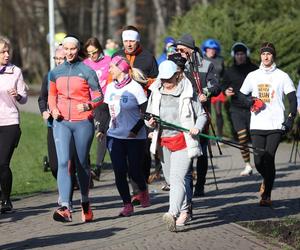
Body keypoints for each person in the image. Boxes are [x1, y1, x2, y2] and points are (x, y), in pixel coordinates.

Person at [145, 60, 207, 232]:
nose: (166, 83)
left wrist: (197, 127)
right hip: (163, 142)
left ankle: (172, 214)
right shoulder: (156, 91)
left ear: (177, 75)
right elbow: (149, 117)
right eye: (163, 79)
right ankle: (185, 209)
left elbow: (202, 115)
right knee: (171, 180)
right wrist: (150, 124)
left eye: (169, 79)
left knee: (178, 178)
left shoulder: (188, 92)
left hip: (183, 141)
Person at [48, 35, 103, 222]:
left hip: (82, 123)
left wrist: (88, 106)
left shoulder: (87, 71)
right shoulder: (55, 73)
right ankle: (65, 207)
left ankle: (85, 202)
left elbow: (98, 96)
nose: (69, 52)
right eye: (66, 49)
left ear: (77, 49)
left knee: (81, 164)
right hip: (61, 122)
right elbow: (51, 96)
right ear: (62, 49)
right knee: (64, 162)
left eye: (73, 49)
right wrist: (53, 110)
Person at [240, 42, 297, 206]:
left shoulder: (282, 76)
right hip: (257, 123)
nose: (266, 57)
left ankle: (266, 196)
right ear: (260, 56)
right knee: (258, 161)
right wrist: (250, 100)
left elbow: (292, 99)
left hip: (275, 125)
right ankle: (267, 179)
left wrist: (289, 120)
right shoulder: (253, 76)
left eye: (269, 54)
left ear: (273, 56)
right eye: (263, 54)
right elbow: (241, 96)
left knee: (269, 158)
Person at [113, 25, 158, 204]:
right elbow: (111, 78)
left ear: (137, 41)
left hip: (143, 109)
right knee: (126, 154)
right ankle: (137, 192)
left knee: (143, 154)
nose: (129, 44)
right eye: (126, 41)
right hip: (122, 110)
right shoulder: (117, 56)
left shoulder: (147, 57)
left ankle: (142, 185)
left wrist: (144, 81)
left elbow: (157, 82)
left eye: (132, 40)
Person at [100, 55, 150, 217]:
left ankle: (143, 190)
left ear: (121, 68)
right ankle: (127, 204)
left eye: (111, 67)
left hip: (135, 137)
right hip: (115, 136)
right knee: (119, 171)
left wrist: (135, 129)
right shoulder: (110, 88)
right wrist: (101, 129)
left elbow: (146, 112)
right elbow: (106, 111)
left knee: (134, 171)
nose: (109, 70)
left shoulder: (135, 88)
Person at [175, 34, 220, 198]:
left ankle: (200, 184)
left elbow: (216, 85)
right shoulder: (177, 64)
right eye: (177, 49)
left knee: (201, 151)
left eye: (181, 49)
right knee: (185, 150)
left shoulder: (206, 64)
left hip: (201, 113)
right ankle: (186, 186)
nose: (178, 52)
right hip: (182, 114)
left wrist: (206, 93)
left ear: (190, 49)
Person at [0, 35, 28, 213]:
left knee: (2, 162)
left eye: (7, 51)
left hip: (10, 121)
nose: (6, 54)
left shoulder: (15, 71)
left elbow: (24, 98)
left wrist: (17, 96)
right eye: (2, 52)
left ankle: (6, 199)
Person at [223, 42, 258, 176]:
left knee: (255, 138)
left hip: (253, 108)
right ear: (234, 55)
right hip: (236, 109)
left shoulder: (254, 69)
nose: (240, 56)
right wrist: (226, 91)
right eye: (237, 54)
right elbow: (223, 85)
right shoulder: (230, 71)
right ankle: (247, 165)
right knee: (242, 137)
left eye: (242, 54)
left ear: (246, 54)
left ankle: (260, 163)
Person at [83, 37, 111, 181]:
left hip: (106, 101)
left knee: (102, 133)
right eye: (89, 53)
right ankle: (87, 169)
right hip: (90, 103)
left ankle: (98, 167)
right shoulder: (85, 64)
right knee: (91, 135)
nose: (92, 56)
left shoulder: (108, 61)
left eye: (94, 52)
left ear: (99, 50)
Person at [201, 39, 225, 138]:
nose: (211, 51)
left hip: (218, 88)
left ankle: (219, 136)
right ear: (205, 50)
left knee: (218, 112)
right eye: (209, 49)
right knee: (207, 114)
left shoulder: (220, 60)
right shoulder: (202, 60)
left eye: (214, 49)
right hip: (206, 89)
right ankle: (208, 135)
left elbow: (224, 74)